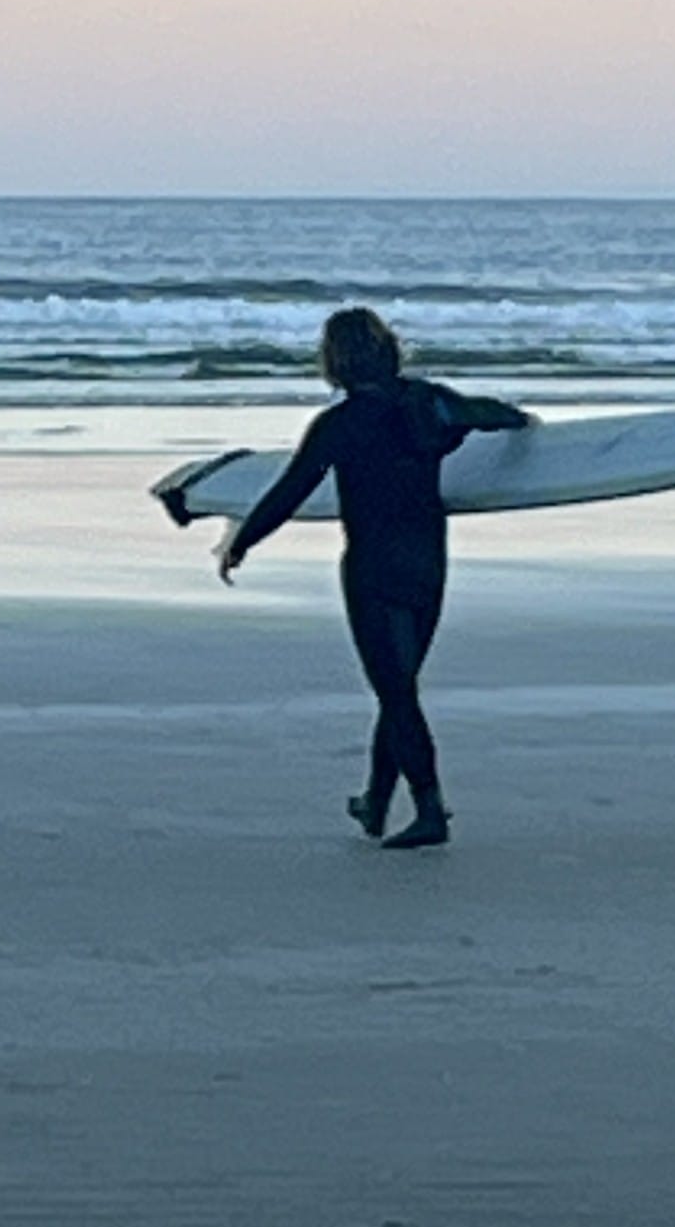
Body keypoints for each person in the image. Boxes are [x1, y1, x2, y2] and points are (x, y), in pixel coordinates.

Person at [217, 307, 532, 849]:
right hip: (428, 565)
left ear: (334, 361)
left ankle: (430, 808)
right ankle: (375, 801)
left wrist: (240, 542)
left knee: (396, 691)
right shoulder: (430, 404)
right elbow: (499, 415)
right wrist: (514, 427)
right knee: (398, 687)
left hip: (374, 570)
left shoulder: (339, 425)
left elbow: (289, 492)